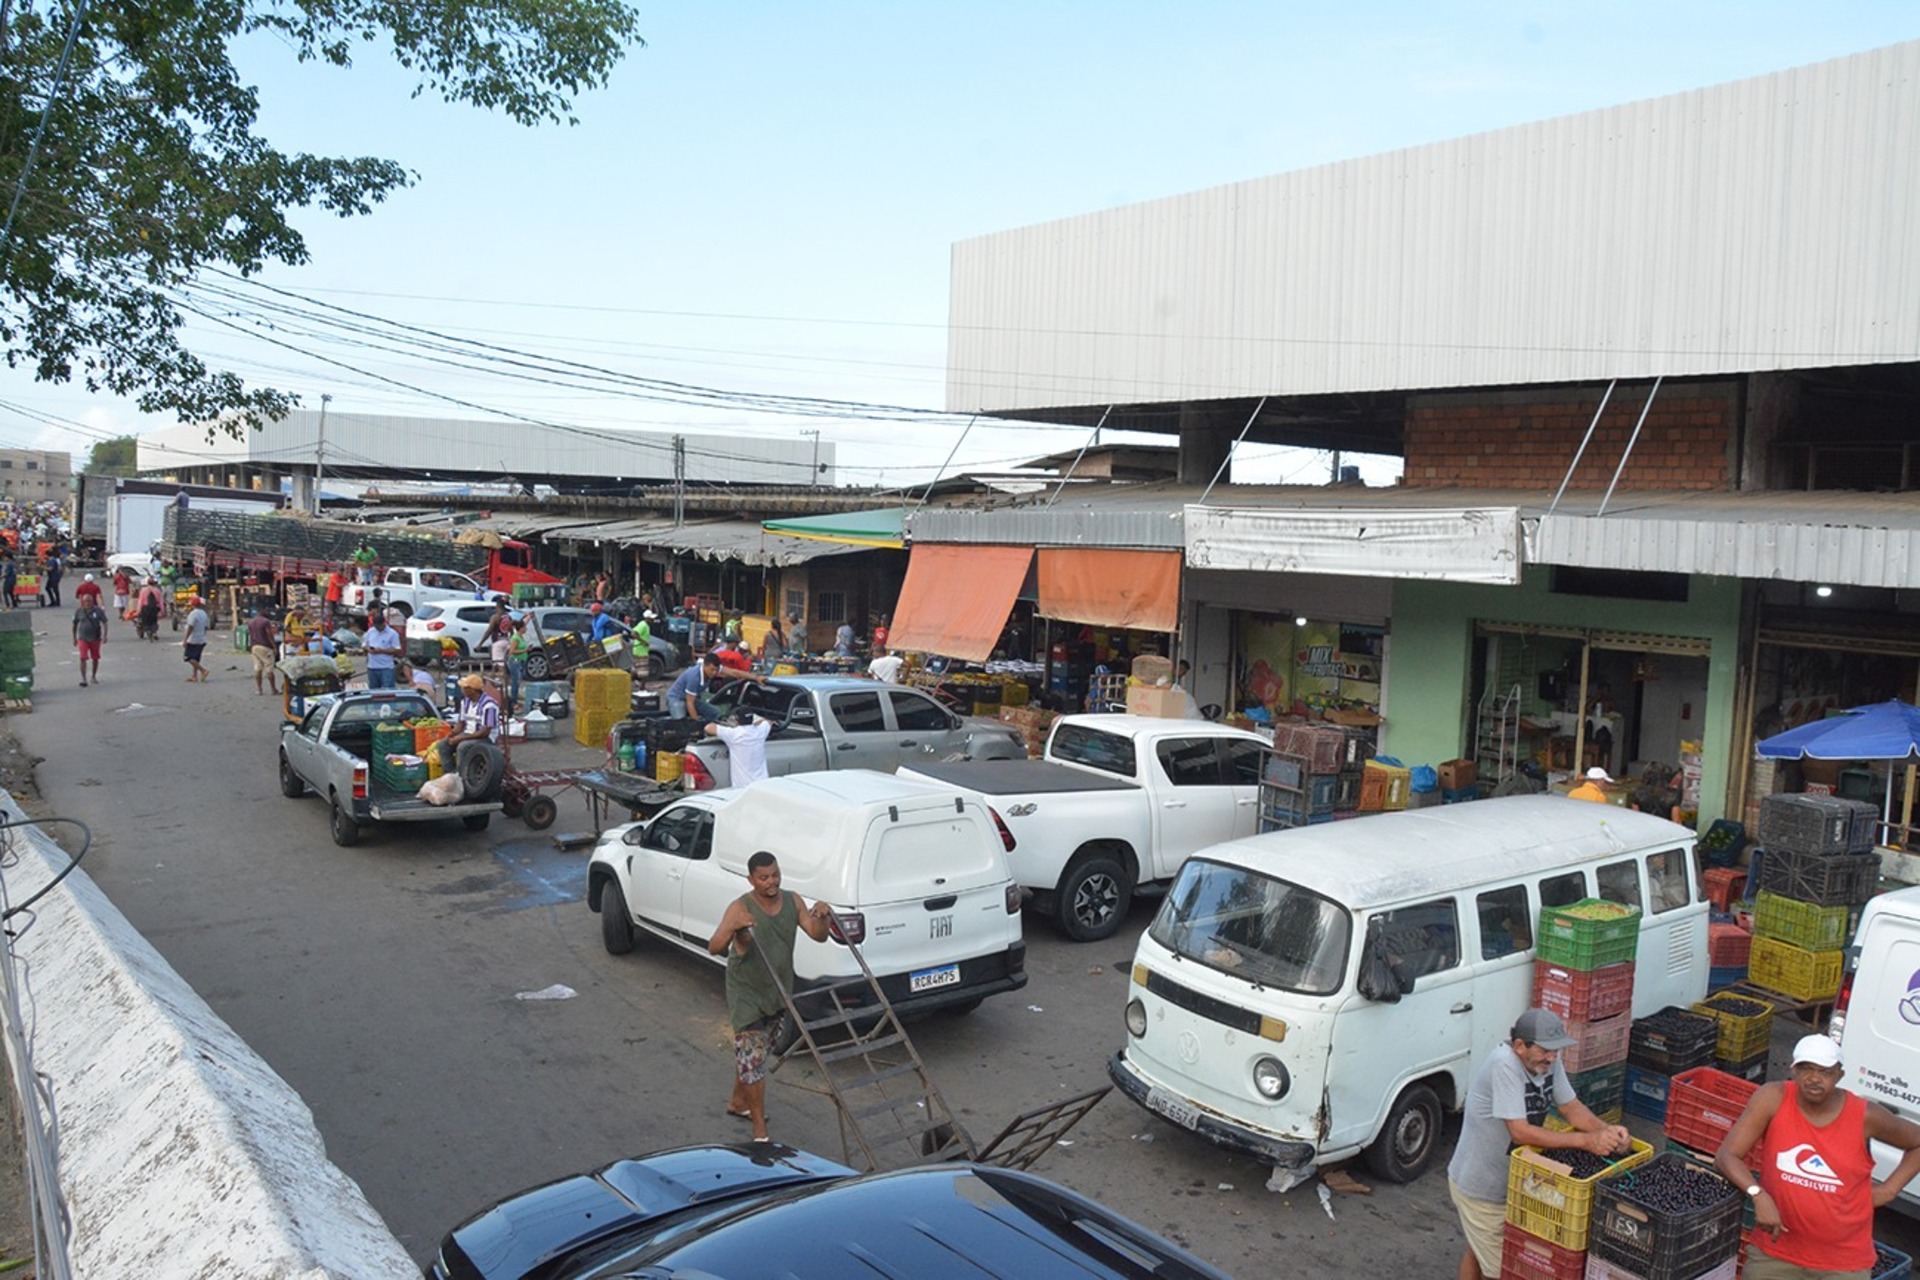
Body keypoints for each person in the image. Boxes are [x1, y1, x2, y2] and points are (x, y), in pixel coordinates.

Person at [1448, 1008, 1633, 1280]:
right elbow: (1520, 1133)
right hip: (1481, 1188)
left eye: (1556, 1051)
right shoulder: (1504, 1065)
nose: (1553, 1057)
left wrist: (1608, 1132)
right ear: (1520, 1045)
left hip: (1513, 1182)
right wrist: (1585, 1141)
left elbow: (1570, 1107)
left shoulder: (1547, 1062)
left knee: (1478, 1250)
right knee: (1502, 1270)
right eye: (1546, 1050)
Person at [1716, 1034, 1920, 1280]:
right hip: (1775, 1253)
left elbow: (1916, 1142)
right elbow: (1727, 1155)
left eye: (1825, 1071)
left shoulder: (1865, 1115)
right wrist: (1757, 1195)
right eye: (1806, 1069)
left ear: (1839, 1076)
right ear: (1793, 1070)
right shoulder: (1773, 1098)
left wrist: (1889, 1190)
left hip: (1842, 1263)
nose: (1814, 1078)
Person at [706, 852, 834, 1142]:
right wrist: (734, 928)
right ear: (751, 879)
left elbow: (817, 934)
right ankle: (760, 1132)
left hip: (777, 988)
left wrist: (822, 917)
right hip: (746, 991)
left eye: (775, 875)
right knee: (752, 1054)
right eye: (764, 878)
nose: (771, 882)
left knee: (757, 1053)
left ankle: (739, 1102)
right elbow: (714, 947)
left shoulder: (793, 901)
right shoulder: (740, 907)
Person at [434, 673, 502, 773]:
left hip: (485, 738)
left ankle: (462, 776)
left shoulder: (489, 706)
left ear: (472, 690)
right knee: (443, 745)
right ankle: (451, 774)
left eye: (465, 688)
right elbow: (461, 723)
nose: (462, 689)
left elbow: (484, 732)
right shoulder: (465, 702)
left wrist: (461, 738)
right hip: (469, 734)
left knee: (463, 747)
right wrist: (452, 734)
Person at [704, 714, 774, 786]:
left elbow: (708, 727)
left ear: (736, 721)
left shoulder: (733, 734)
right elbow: (769, 721)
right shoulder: (761, 731)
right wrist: (758, 722)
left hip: (741, 786)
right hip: (761, 783)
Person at [362, 607, 403, 690]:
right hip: (372, 667)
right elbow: (364, 644)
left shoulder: (392, 634)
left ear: (384, 623)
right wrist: (368, 649)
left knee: (388, 691)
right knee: (373, 691)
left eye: (379, 626)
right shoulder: (371, 631)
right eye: (376, 626)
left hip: (386, 668)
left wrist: (381, 650)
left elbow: (397, 650)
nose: (377, 628)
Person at [73, 593, 109, 686]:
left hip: (95, 638)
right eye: (85, 601)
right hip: (83, 638)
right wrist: (74, 638)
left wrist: (105, 636)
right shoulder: (79, 611)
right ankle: (84, 679)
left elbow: (105, 622)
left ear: (92, 602)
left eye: (89, 601)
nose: (87, 603)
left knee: (95, 658)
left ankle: (93, 676)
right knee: (83, 658)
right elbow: (75, 624)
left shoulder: (98, 611)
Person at [181, 596, 211, 682]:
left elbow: (190, 627)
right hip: (201, 639)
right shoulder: (204, 613)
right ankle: (194, 676)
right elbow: (206, 627)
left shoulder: (193, 614)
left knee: (188, 657)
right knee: (196, 658)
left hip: (193, 639)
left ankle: (203, 670)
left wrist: (185, 639)